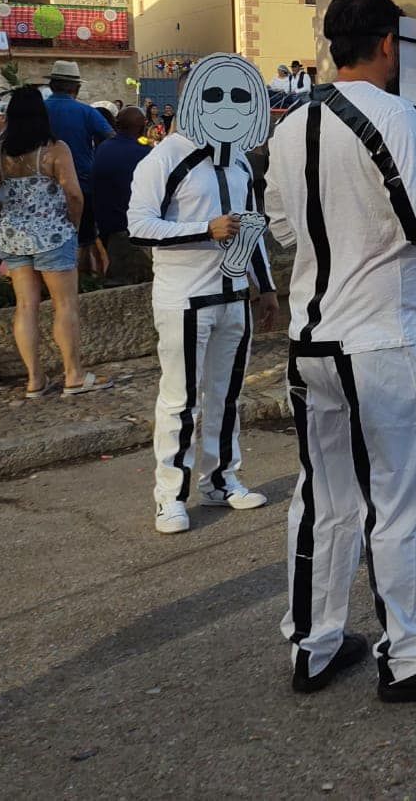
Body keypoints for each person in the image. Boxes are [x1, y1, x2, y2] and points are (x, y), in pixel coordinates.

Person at [265, 0, 416, 703]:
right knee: (404, 499)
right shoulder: (393, 115)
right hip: (385, 340)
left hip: (313, 340)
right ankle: (411, 654)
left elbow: (280, 228)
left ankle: (315, 641)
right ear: (390, 44)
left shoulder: (289, 124)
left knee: (324, 498)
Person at [130, 56, 279, 535]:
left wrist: (267, 287)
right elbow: (139, 224)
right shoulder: (164, 158)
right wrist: (205, 230)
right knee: (180, 400)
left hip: (234, 297)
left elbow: (251, 228)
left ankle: (221, 479)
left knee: (227, 395)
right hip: (184, 297)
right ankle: (169, 496)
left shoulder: (237, 161)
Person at [0, 86, 108, 396]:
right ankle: (73, 375)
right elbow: (73, 194)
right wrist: (72, 226)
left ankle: (34, 380)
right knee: (64, 305)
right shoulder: (55, 150)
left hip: (14, 236)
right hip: (53, 233)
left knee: (25, 307)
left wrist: (5, 215)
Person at [44, 62, 113, 274]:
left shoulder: (39, 110)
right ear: (76, 88)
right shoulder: (85, 111)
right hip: (82, 183)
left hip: (44, 185)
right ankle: (84, 282)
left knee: (48, 241)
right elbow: (110, 138)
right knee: (85, 240)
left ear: (53, 85)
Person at [91, 106, 154, 284]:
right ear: (142, 127)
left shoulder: (103, 148)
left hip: (108, 225)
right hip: (131, 229)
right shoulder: (144, 153)